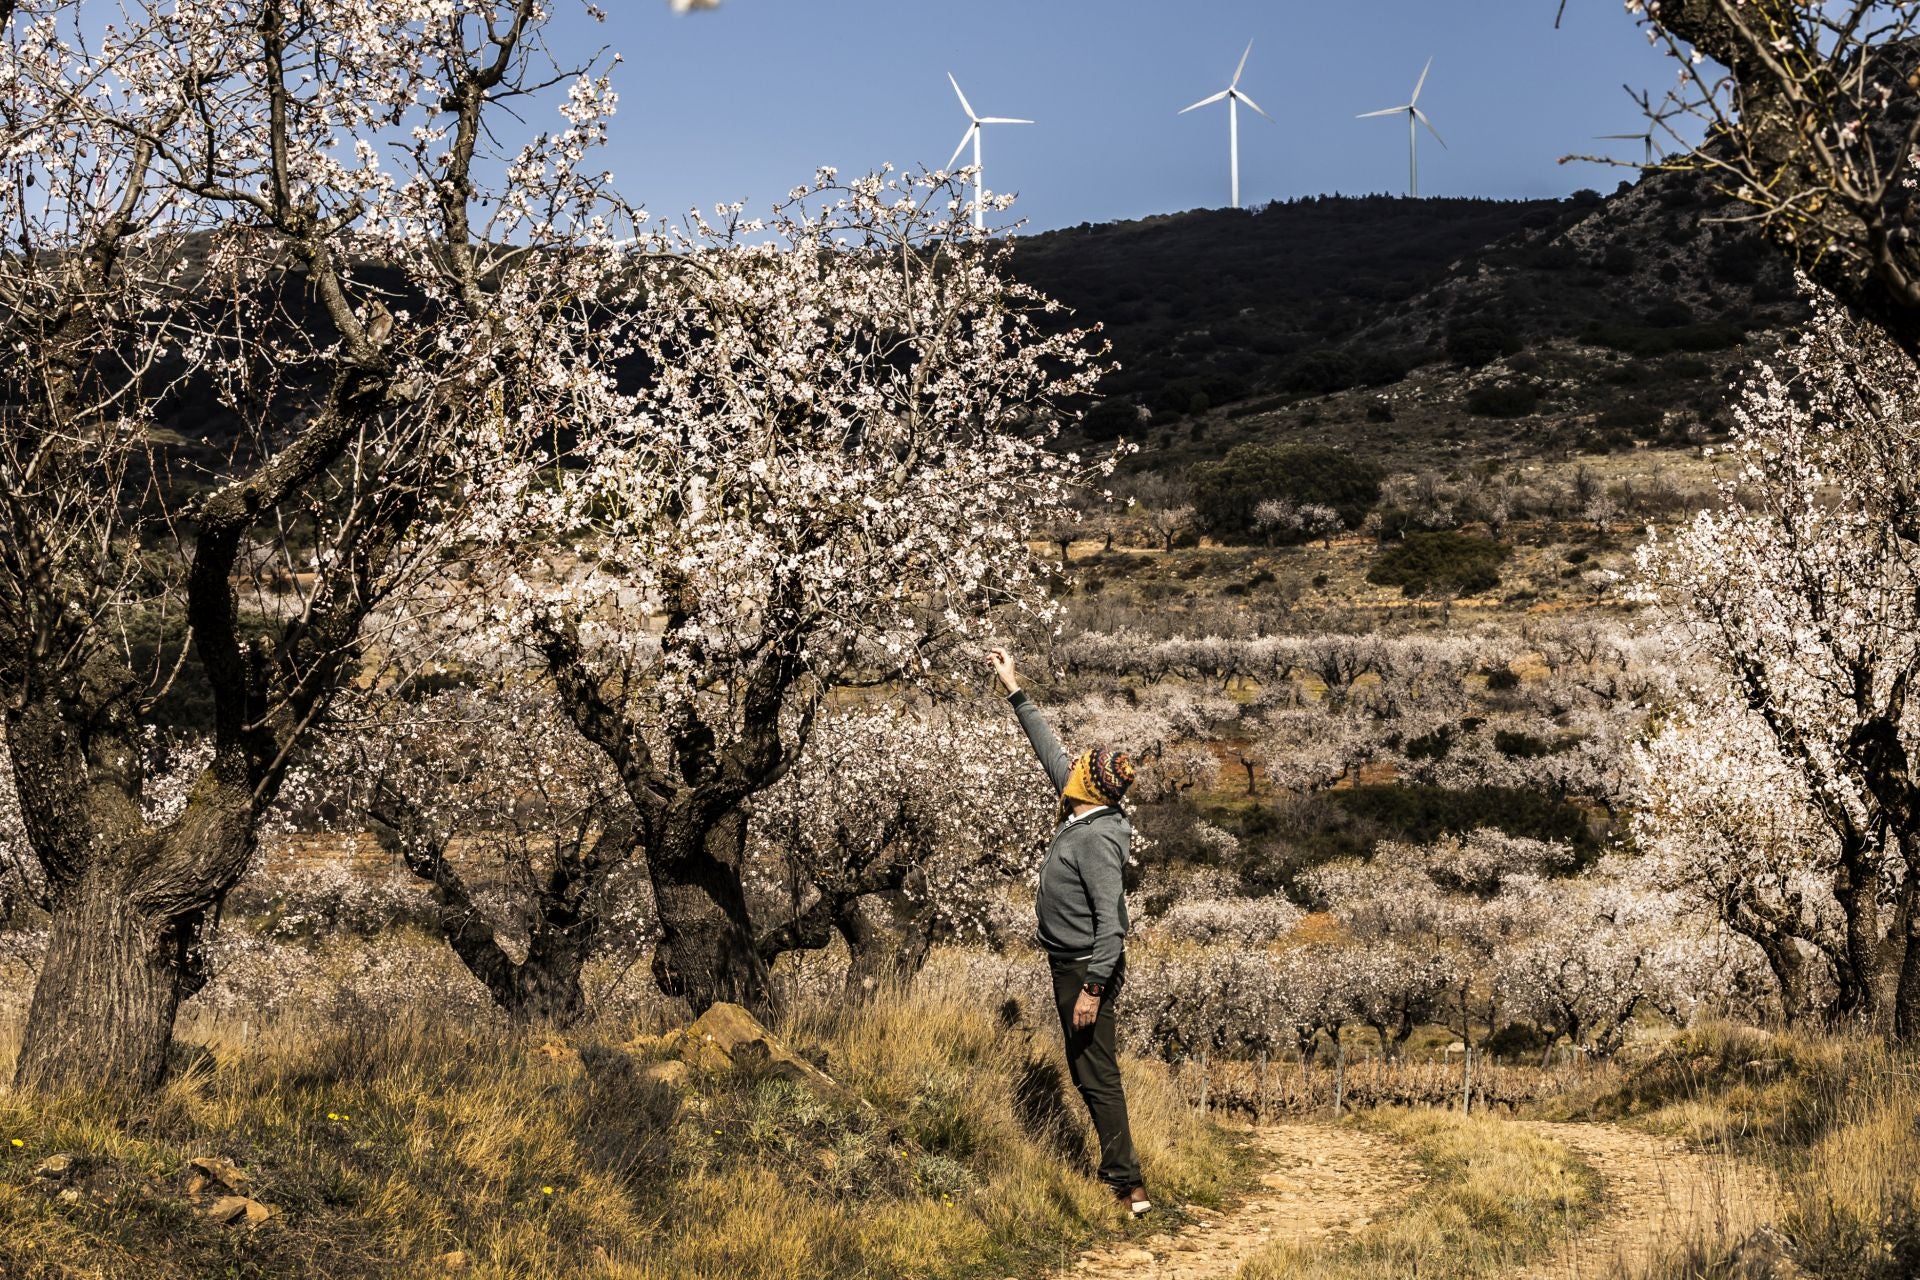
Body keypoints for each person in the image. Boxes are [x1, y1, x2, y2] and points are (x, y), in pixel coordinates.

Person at [987, 646, 1150, 1217]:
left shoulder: (1099, 839)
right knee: (1085, 1069)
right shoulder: (1082, 806)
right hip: (1070, 964)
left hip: (1086, 967)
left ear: (1092, 785)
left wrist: (1093, 988)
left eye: (1082, 764)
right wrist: (1014, 689)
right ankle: (1121, 1175)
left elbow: (1113, 926)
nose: (1072, 764)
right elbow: (1047, 748)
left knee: (1095, 1071)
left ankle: (1129, 1188)